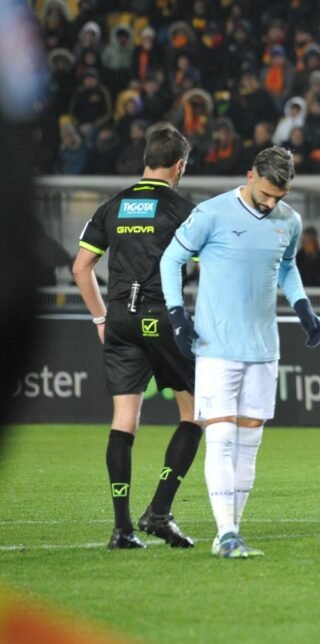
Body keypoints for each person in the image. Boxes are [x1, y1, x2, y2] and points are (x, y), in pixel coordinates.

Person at [159, 146, 320, 558]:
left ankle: (231, 531)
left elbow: (287, 265)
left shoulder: (289, 220)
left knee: (250, 442)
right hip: (216, 346)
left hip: (264, 348)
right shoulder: (212, 213)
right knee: (221, 437)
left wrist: (303, 307)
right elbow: (171, 258)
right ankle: (227, 531)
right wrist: (177, 314)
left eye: (279, 197)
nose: (270, 203)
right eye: (265, 194)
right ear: (251, 175)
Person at [72, 125, 203, 550]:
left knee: (124, 419)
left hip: (119, 320)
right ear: (179, 165)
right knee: (195, 412)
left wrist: (100, 318)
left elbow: (80, 267)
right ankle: (159, 512)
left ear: (146, 159)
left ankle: (122, 528)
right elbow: (210, 264)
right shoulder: (182, 210)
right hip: (160, 316)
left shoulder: (113, 205)